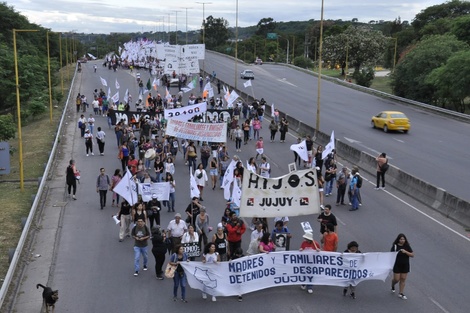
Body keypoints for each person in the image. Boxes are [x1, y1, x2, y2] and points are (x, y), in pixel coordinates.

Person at [390, 233, 414, 300]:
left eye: (403, 239)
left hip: (405, 265)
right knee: (397, 279)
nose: (402, 240)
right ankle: (393, 284)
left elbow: (412, 255)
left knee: (403, 279)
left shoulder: (407, 246)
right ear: (398, 240)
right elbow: (391, 255)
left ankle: (401, 293)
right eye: (401, 239)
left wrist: (406, 252)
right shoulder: (395, 246)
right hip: (397, 265)